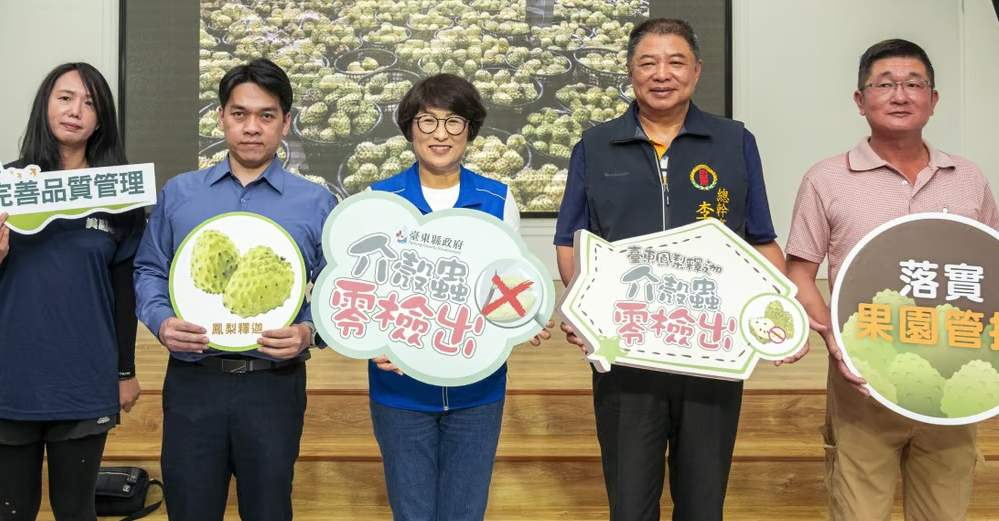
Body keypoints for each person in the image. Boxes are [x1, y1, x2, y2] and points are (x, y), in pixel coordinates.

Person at [553, 18, 785, 520]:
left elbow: (761, 239)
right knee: (630, 502)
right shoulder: (595, 146)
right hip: (625, 354)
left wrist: (779, 317)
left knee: (703, 503)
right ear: (630, 72)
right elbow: (570, 243)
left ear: (697, 71)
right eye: (648, 62)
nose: (662, 74)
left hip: (711, 350)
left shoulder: (733, 142)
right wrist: (581, 309)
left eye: (676, 61)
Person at [782, 38, 999, 520]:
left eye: (913, 84)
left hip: (951, 374)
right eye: (884, 84)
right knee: (859, 511)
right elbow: (800, 270)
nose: (900, 95)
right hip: (863, 377)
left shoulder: (968, 178)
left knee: (944, 511)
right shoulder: (826, 179)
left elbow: (991, 272)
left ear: (933, 99)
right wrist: (835, 337)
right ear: (861, 101)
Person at [133, 57, 336, 521]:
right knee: (189, 508)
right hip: (193, 382)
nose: (251, 128)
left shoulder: (317, 201)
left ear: (286, 122)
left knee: (268, 509)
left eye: (266, 116)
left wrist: (309, 332)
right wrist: (161, 321)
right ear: (221, 117)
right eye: (240, 114)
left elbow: (334, 290)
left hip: (273, 385)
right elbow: (148, 269)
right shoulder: (180, 194)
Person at [0, 62, 143, 521]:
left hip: (83, 379)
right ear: (46, 105)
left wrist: (124, 372)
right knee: (14, 512)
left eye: (90, 103)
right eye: (65, 98)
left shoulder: (117, 194)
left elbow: (125, 293)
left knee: (76, 510)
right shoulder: (4, 184)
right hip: (10, 376)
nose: (76, 110)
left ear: (102, 120)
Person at [367, 73, 550, 521]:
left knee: (465, 512)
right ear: (409, 127)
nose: (440, 134)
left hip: (477, 390)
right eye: (427, 122)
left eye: (454, 121)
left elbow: (507, 283)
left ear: (471, 129)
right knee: (411, 512)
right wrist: (376, 341)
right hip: (400, 391)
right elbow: (367, 292)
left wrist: (527, 319)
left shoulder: (497, 198)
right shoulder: (379, 198)